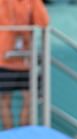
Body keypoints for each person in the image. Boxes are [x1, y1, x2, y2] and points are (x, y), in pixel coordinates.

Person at [0, 0, 49, 129]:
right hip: (4, 59)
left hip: (26, 59)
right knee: (4, 99)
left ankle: (24, 130)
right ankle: (9, 134)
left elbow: (43, 22)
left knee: (30, 97)